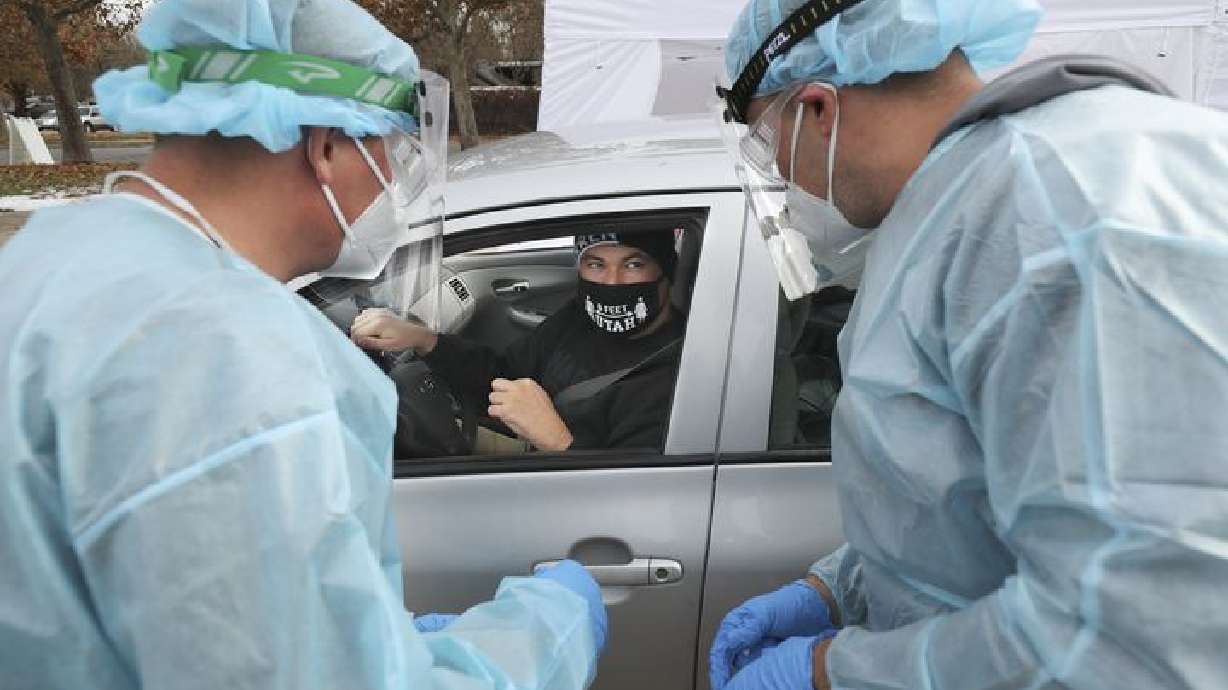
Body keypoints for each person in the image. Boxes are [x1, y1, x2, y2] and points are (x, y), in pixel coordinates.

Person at [0, 1, 607, 689]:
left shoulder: (53, 252)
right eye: (390, 149)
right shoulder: (233, 355)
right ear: (323, 144)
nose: (395, 183)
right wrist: (543, 634)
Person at [710, 0, 1228, 688]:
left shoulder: (1053, 212)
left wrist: (833, 671)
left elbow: (1132, 639)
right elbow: (971, 480)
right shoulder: (965, 200)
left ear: (818, 110)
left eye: (766, 142)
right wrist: (843, 587)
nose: (780, 174)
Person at [351, 230, 684, 452]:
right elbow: (504, 375)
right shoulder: (580, 318)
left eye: (634, 264)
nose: (612, 282)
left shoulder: (675, 372)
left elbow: (630, 501)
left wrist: (558, 440)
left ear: (665, 272)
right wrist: (424, 340)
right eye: (595, 264)